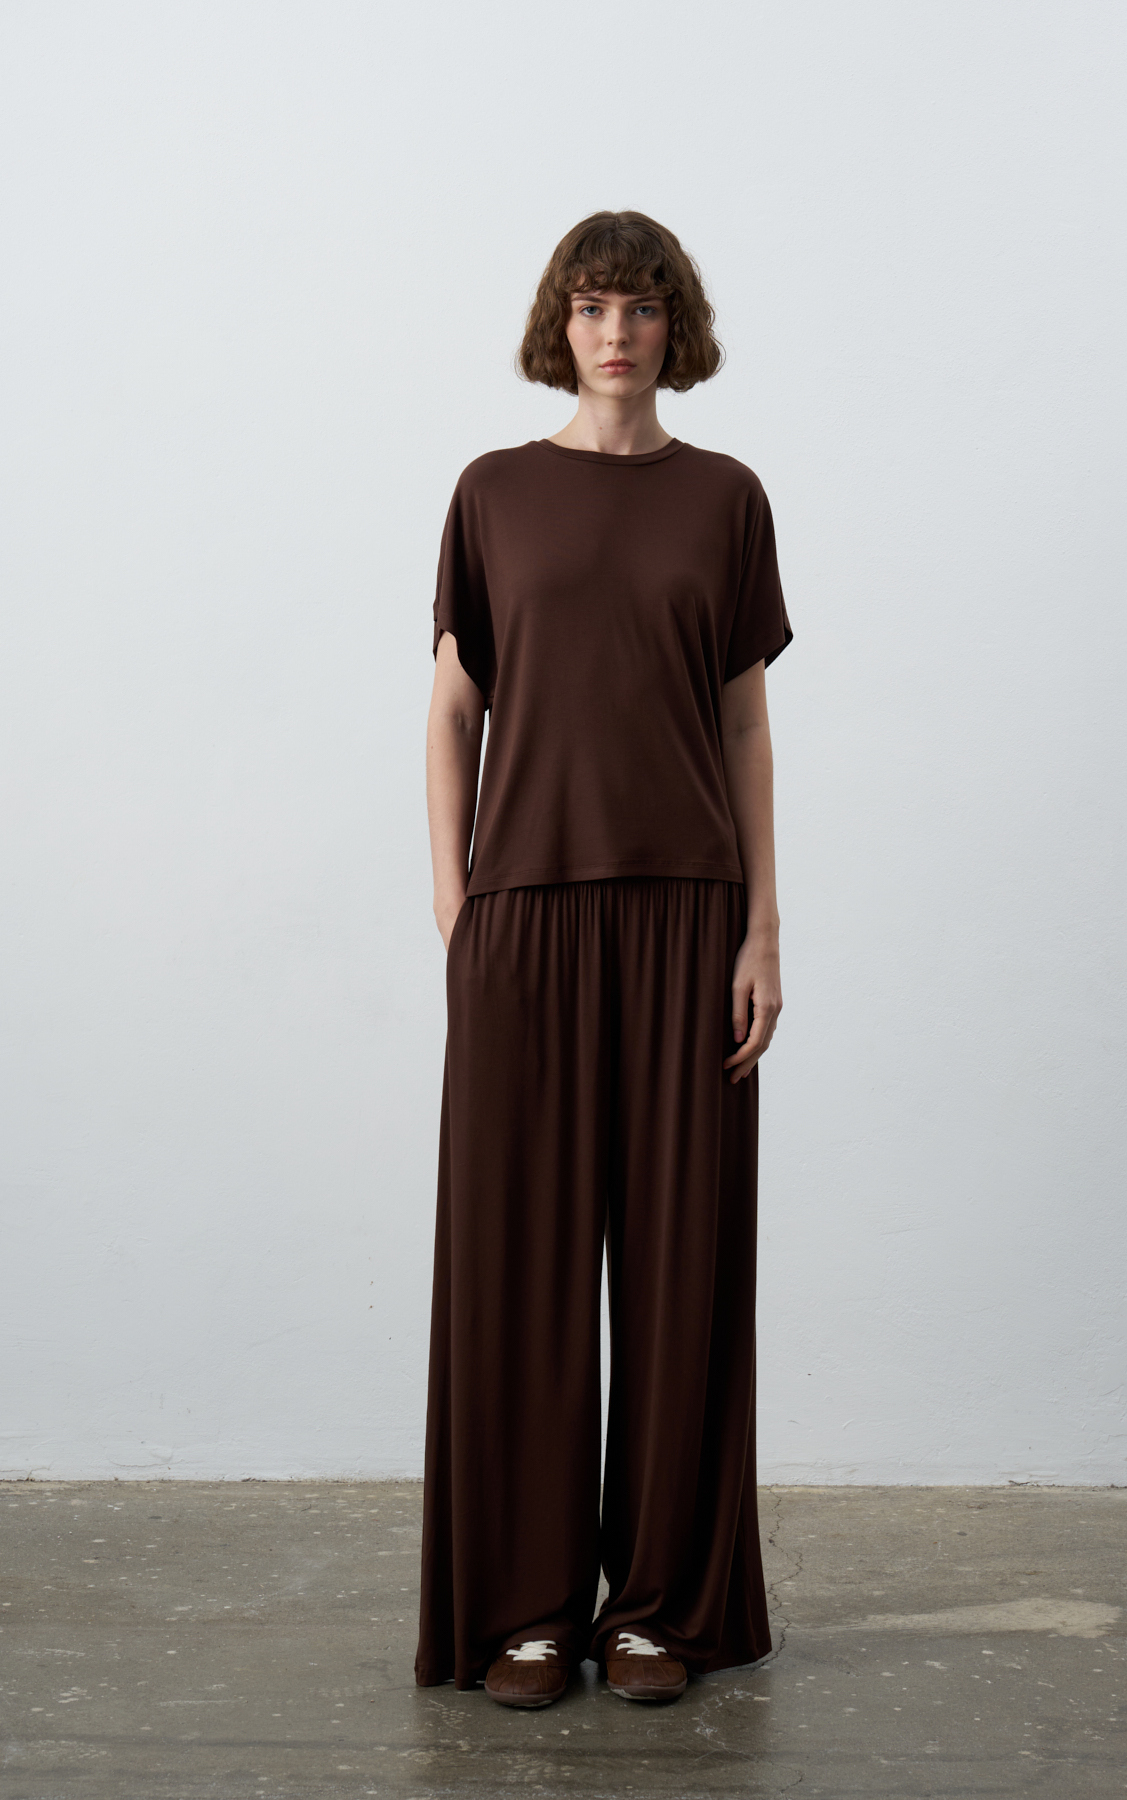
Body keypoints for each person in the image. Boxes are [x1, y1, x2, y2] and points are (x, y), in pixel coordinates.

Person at [416, 209, 793, 1710]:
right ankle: (527, 1613)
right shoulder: (493, 493)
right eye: (591, 305)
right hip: (524, 915)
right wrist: (458, 909)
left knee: (680, 1269)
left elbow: (746, 724)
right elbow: (453, 712)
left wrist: (764, 926)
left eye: (640, 305)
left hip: (689, 914)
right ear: (557, 327)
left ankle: (656, 1611)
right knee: (520, 1269)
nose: (616, 331)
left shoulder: (726, 498)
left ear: (674, 326)